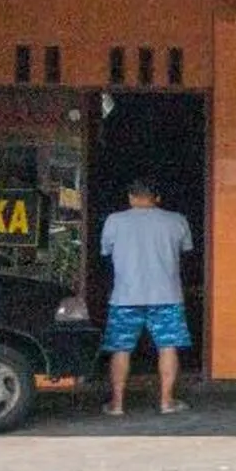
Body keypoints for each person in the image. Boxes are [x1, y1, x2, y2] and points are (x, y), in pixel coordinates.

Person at [98, 178, 194, 416]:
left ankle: (117, 405)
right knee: (167, 346)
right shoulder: (177, 221)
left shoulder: (114, 221)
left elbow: (106, 251)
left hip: (125, 297)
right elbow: (186, 250)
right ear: (158, 198)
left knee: (121, 349)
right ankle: (166, 402)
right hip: (167, 296)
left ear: (131, 197)